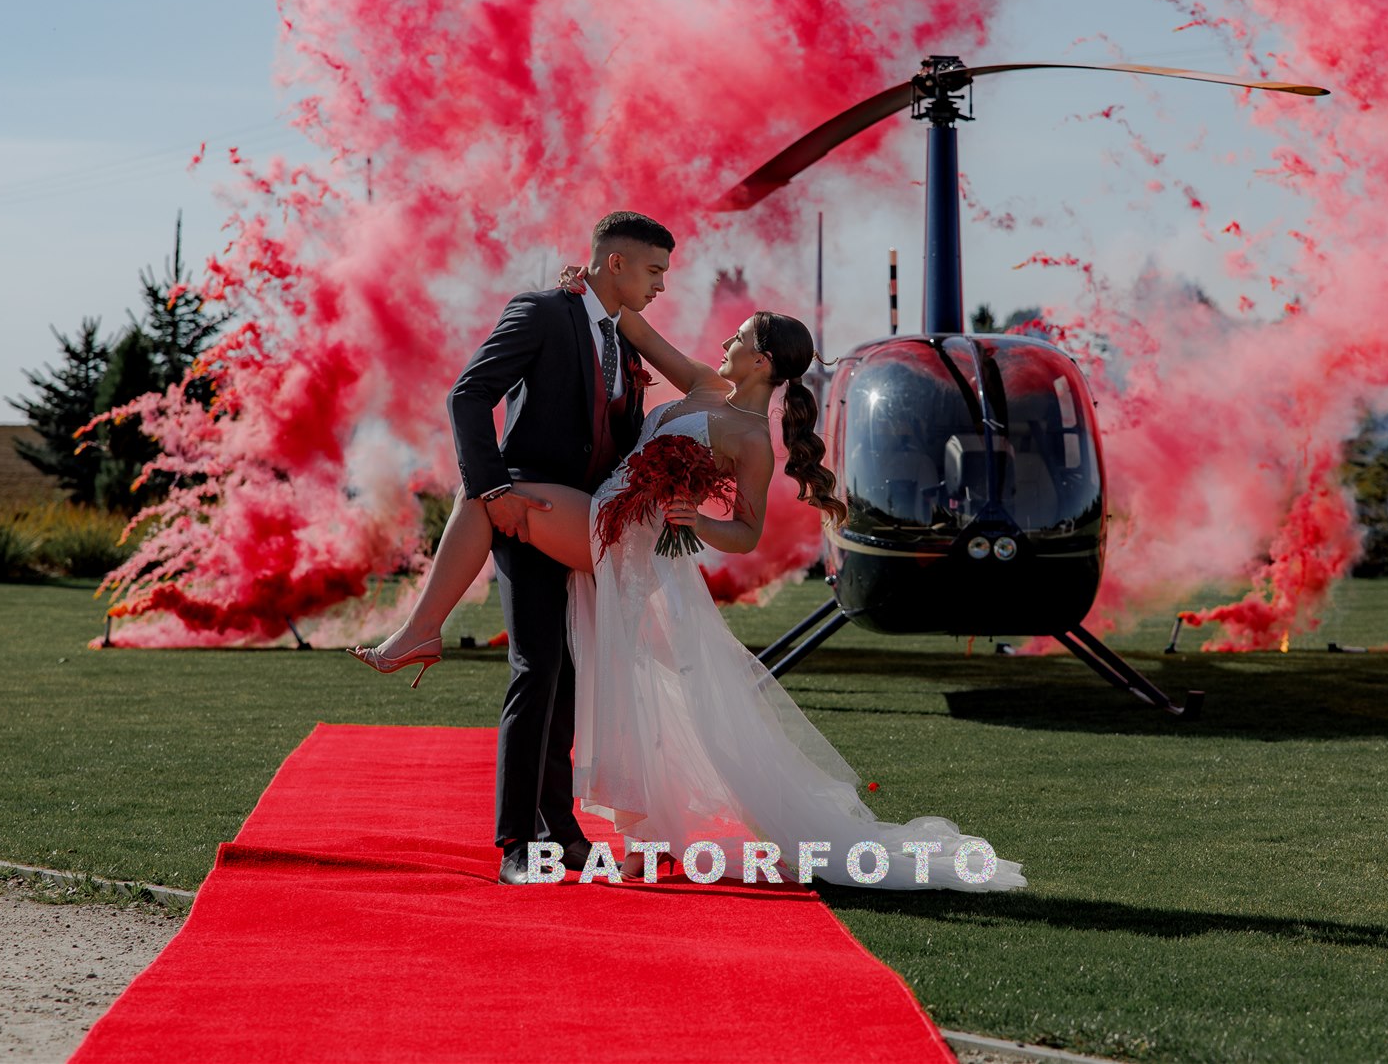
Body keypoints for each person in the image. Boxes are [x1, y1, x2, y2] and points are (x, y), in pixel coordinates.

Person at [355, 261, 1025, 893]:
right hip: (604, 515)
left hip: (625, 538)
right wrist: (586, 282)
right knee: (596, 674)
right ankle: (610, 826)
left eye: (740, 337)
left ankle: (422, 630)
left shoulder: (751, 440)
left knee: (487, 494)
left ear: (761, 362)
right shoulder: (704, 384)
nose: (726, 341)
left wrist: (694, 519)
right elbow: (637, 330)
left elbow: (745, 532)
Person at [351, 211, 664, 885]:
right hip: (521, 514)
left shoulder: (624, 342)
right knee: (537, 666)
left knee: (567, 674)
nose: (661, 285)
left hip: (583, 526)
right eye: (654, 270)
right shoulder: (542, 311)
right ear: (615, 263)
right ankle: (518, 844)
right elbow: (469, 395)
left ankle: (559, 831)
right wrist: (492, 490)